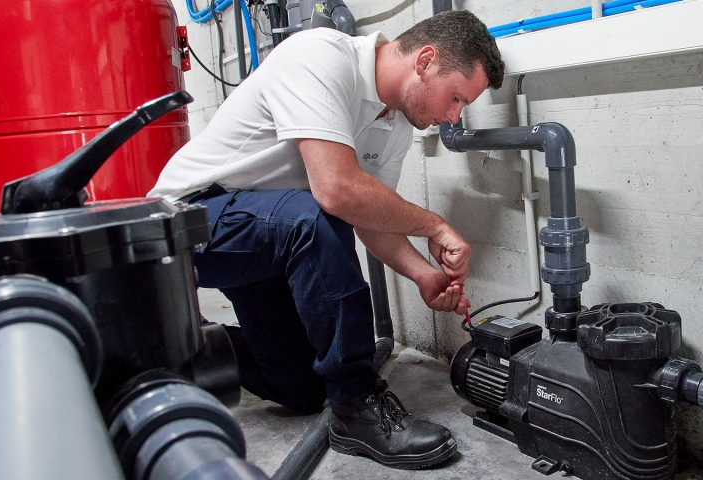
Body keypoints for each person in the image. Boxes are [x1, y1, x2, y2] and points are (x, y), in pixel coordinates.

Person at [148, 11, 504, 470]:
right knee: (318, 213)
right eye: (456, 98)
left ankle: (179, 348)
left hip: (266, 230)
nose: (453, 117)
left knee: (300, 388)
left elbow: (369, 215)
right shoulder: (319, 55)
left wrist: (423, 275)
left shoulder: (393, 125)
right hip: (189, 220)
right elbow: (337, 191)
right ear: (426, 60)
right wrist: (435, 226)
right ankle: (357, 403)